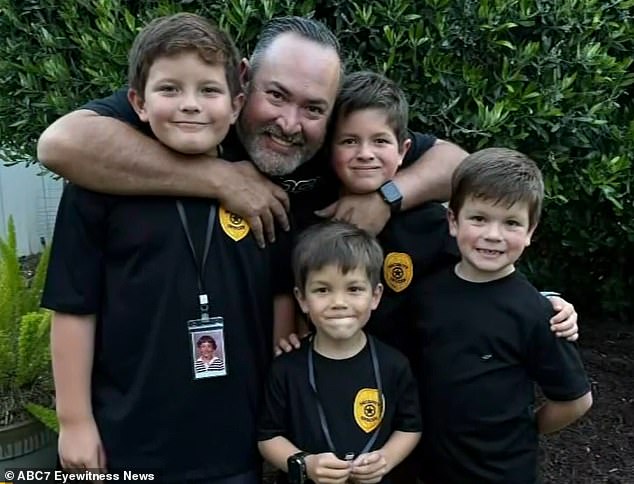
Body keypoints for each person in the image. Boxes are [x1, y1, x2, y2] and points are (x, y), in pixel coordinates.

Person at [41, 13, 293, 483]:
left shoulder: (259, 189)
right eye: (170, 89)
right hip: (128, 443)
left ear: (237, 105)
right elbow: (73, 307)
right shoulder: (98, 187)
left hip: (236, 444)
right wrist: (74, 422)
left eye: (209, 91)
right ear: (137, 102)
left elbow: (280, 298)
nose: (191, 105)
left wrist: (278, 423)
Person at [37, 16, 468, 248]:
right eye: (276, 96)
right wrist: (216, 178)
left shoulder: (342, 140)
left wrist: (386, 199)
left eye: (313, 107)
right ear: (242, 81)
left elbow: (459, 166)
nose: (289, 123)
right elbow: (61, 144)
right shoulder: (199, 112)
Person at [411, 148, 593, 484]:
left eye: (511, 223)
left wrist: (525, 428)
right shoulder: (426, 292)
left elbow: (575, 401)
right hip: (427, 467)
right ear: (453, 220)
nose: (493, 235)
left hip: (500, 473)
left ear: (530, 232)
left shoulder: (536, 313)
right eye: (479, 218)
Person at [258, 221, 421, 484]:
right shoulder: (286, 369)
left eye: (354, 289)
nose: (339, 303)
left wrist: (385, 459)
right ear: (302, 299)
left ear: (376, 295)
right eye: (323, 290)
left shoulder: (394, 364)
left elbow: (409, 428)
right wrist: (305, 464)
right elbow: (268, 437)